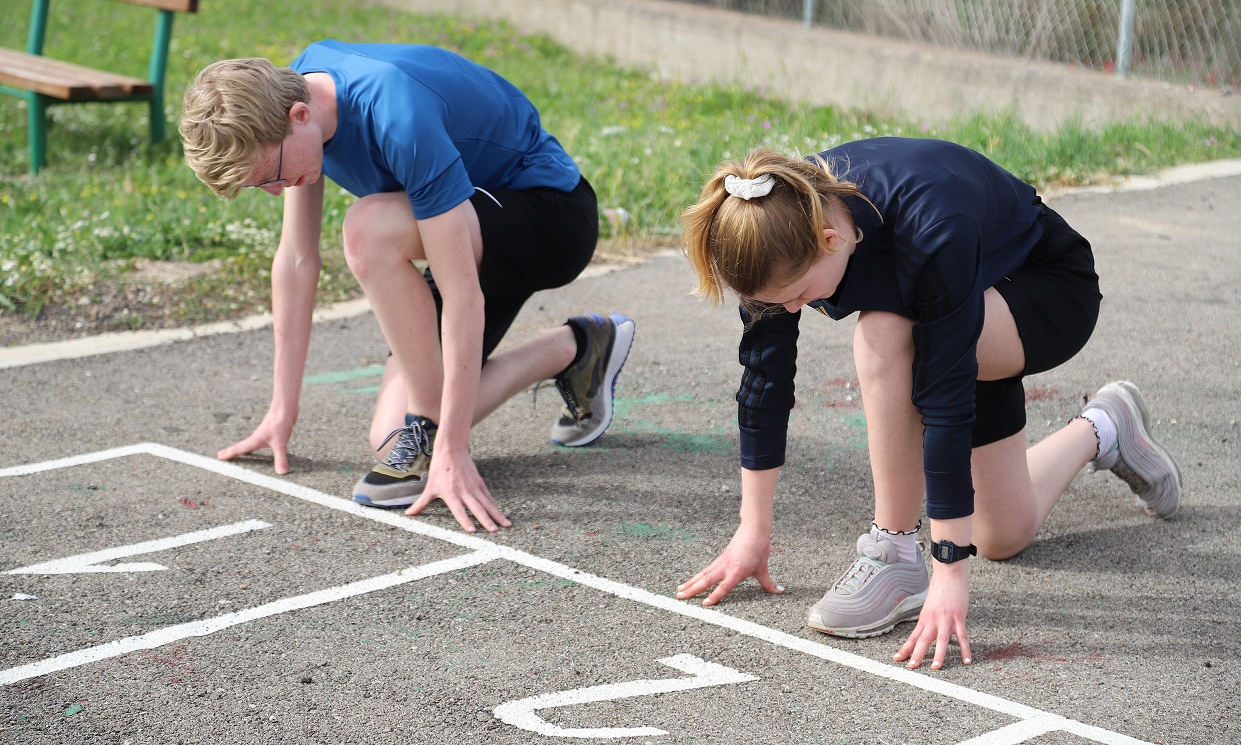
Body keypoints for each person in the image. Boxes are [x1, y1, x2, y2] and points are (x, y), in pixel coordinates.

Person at [675, 137, 1181, 670]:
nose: (796, 308)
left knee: (885, 334)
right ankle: (1105, 425)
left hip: (1043, 289)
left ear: (830, 239)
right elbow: (764, 381)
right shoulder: (775, 223)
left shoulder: (929, 225)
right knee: (1002, 534)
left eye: (799, 295)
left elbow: (945, 398)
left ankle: (892, 552)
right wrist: (753, 530)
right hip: (957, 302)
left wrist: (948, 572)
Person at [179, 40, 634, 534]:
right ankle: (579, 347)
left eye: (272, 175)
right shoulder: (291, 104)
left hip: (550, 219)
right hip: (462, 228)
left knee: (368, 228)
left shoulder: (397, 114)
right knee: (388, 438)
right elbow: (295, 258)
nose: (273, 190)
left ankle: (429, 424)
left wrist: (451, 450)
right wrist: (282, 407)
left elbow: (463, 294)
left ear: (301, 115)